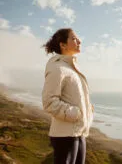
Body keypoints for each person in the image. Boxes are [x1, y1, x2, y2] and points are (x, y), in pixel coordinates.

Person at [42, 28, 93, 164]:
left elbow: (74, 97)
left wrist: (87, 109)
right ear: (62, 44)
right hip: (65, 135)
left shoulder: (71, 68)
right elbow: (49, 102)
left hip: (78, 132)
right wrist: (76, 113)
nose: (79, 41)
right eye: (74, 38)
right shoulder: (57, 68)